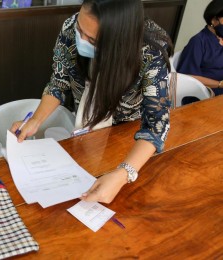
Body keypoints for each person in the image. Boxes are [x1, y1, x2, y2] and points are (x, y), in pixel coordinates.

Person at [11, 0, 173, 204]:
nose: (81, 39)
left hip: (127, 136)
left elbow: (156, 125)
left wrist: (125, 173)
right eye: (80, 29)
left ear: (119, 40)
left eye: (93, 40)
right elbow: (59, 81)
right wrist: (35, 120)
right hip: (88, 128)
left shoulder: (150, 50)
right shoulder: (72, 27)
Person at [177, 0, 223, 96]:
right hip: (207, 93)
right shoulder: (198, 41)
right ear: (213, 20)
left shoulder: (221, 37)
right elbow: (188, 77)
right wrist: (219, 84)